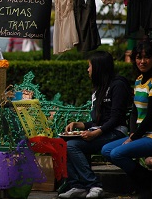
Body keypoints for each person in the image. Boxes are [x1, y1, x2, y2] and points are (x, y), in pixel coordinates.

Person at [59, 51, 132, 199]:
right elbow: (98, 121)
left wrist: (95, 133)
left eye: (89, 66)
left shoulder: (118, 85)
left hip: (117, 132)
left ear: (98, 67)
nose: (88, 70)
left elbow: (116, 118)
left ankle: (94, 185)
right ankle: (77, 186)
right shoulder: (99, 88)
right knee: (63, 142)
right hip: (102, 130)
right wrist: (79, 125)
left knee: (73, 145)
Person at [101, 39, 152, 198]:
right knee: (106, 150)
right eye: (139, 57)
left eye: (146, 57)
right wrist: (132, 133)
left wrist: (134, 137)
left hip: (150, 134)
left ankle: (145, 182)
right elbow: (135, 112)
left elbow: (150, 117)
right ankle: (145, 180)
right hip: (140, 134)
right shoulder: (138, 80)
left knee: (117, 154)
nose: (142, 61)